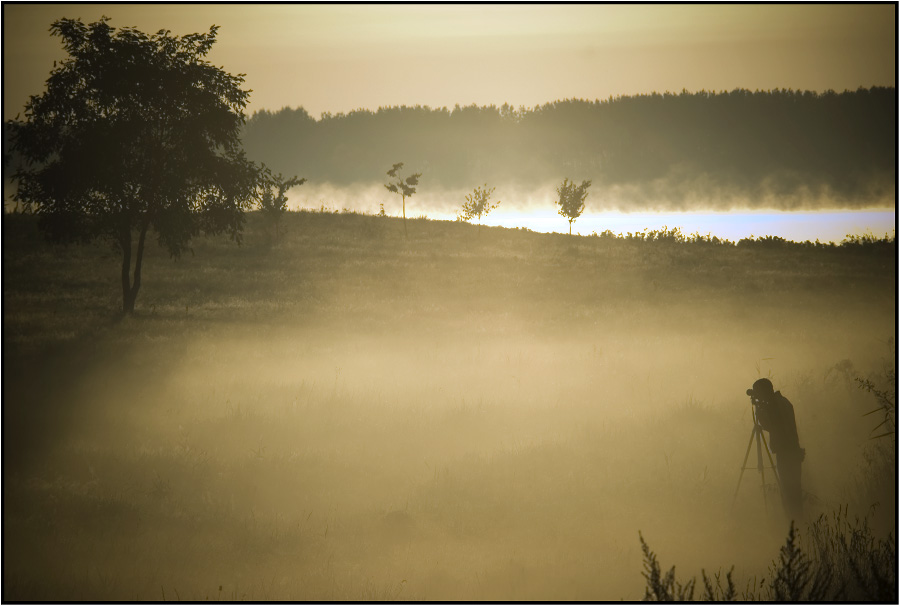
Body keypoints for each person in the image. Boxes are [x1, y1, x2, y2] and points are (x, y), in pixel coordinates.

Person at [747, 378, 804, 519]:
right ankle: (798, 521)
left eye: (758, 393)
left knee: (788, 491)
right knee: (794, 490)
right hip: (792, 451)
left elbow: (771, 426)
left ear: (764, 391)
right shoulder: (782, 402)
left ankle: (793, 523)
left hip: (786, 452)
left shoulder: (775, 406)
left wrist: (759, 413)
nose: (757, 397)